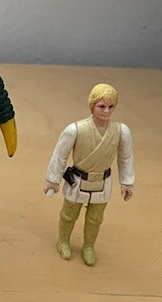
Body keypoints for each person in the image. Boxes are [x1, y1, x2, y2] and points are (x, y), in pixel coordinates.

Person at [44, 83, 135, 266]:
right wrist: (53, 180)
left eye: (111, 106)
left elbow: (126, 157)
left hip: (102, 181)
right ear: (92, 105)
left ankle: (88, 246)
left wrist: (127, 182)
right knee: (69, 215)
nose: (106, 111)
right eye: (102, 106)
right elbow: (60, 154)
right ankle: (63, 241)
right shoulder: (75, 129)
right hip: (78, 180)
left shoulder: (121, 131)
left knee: (95, 219)